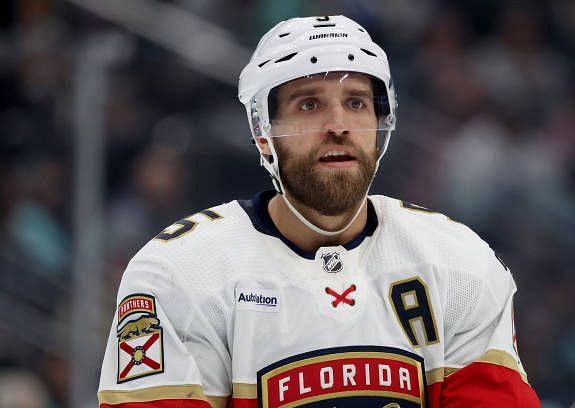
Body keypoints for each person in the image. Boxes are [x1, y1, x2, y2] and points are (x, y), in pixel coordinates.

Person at [98, 15, 540, 407]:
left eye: (356, 103)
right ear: (263, 131)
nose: (339, 125)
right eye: (309, 104)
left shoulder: (458, 262)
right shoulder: (180, 273)